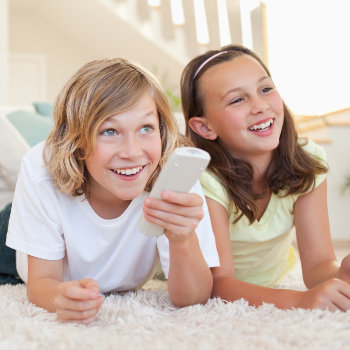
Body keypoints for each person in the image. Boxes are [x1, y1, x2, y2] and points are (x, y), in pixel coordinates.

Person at [6, 58, 219, 324]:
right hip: (38, 237)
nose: (132, 152)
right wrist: (60, 296)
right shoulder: (40, 169)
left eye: (145, 128)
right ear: (76, 141)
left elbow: (193, 298)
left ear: (162, 132)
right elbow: (41, 282)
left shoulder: (173, 172)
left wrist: (182, 238)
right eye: (109, 131)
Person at [180, 44, 350, 311]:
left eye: (265, 89)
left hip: (273, 282)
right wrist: (301, 301)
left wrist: (342, 274)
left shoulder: (308, 160)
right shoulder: (205, 180)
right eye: (237, 99)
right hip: (207, 282)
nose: (260, 106)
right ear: (205, 127)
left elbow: (318, 266)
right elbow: (220, 284)